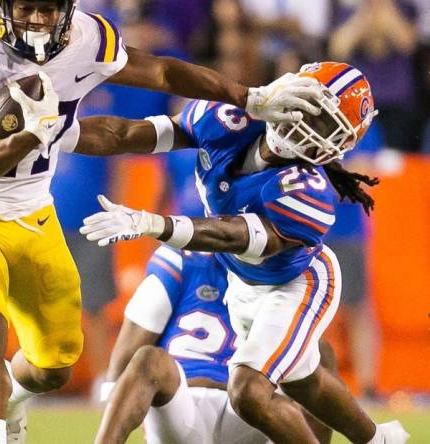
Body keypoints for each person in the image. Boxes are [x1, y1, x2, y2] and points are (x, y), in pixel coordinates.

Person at [0, 0, 323, 441]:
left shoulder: (86, 37)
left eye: (48, 9)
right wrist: (29, 138)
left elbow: (164, 74)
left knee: (54, 364)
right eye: (26, 8)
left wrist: (246, 96)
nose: (38, 20)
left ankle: (10, 394)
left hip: (34, 214)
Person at [77, 61, 409, 443]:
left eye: (324, 127)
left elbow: (235, 236)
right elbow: (128, 133)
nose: (307, 128)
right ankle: (380, 438)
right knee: (303, 379)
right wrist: (56, 133)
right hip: (243, 279)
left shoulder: (309, 190)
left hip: (295, 282)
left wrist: (154, 224)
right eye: (310, 111)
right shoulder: (226, 119)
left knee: (249, 388)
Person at [95, 246, 334, 444]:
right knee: (150, 360)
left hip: (255, 415)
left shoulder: (294, 273)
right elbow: (130, 346)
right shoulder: (182, 261)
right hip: (181, 409)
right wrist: (132, 406)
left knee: (318, 353)